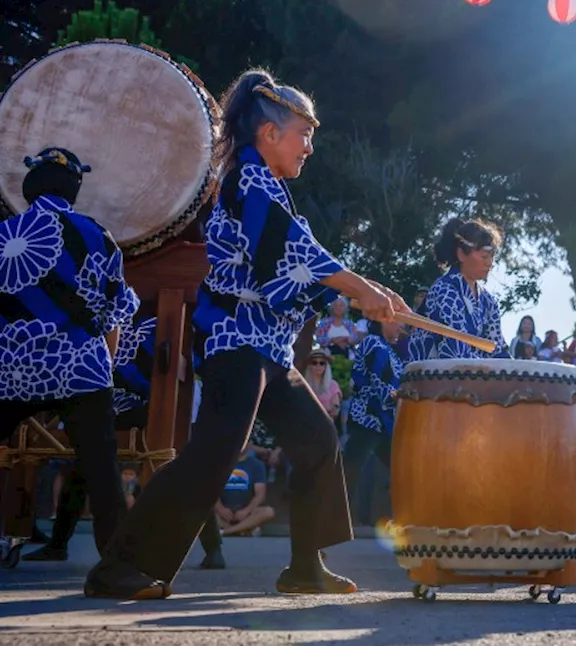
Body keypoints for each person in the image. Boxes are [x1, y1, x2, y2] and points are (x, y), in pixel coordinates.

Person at [86, 69, 408, 600]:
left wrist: (368, 289)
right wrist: (357, 287)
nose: (310, 146)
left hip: (267, 347)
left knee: (317, 441)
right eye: (304, 133)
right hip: (235, 340)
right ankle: (119, 566)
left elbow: (302, 255)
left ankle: (306, 567)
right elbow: (295, 253)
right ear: (269, 133)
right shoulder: (250, 179)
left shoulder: (269, 187)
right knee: (213, 453)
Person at [0, 148, 138, 562]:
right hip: (83, 366)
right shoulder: (98, 234)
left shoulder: (6, 234)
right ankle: (118, 564)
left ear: (31, 186)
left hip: (12, 366)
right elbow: (114, 315)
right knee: (101, 467)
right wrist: (103, 372)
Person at [25, 313, 225, 569]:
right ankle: (58, 543)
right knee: (84, 462)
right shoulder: (104, 306)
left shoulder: (168, 311)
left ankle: (213, 546)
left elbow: (192, 361)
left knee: (185, 469)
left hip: (155, 401)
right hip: (107, 397)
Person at [407, 217, 509, 361]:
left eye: (491, 257)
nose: (489, 263)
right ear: (461, 254)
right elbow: (454, 350)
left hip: (474, 376)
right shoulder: (445, 290)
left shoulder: (488, 301)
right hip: (434, 376)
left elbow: (497, 349)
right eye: (484, 256)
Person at [342, 321, 405, 526]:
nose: (400, 328)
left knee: (402, 470)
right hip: (367, 419)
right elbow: (383, 383)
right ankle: (323, 526)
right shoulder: (373, 343)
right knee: (347, 474)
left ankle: (409, 520)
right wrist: (403, 396)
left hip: (383, 422)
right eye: (398, 323)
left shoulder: (390, 350)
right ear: (385, 321)